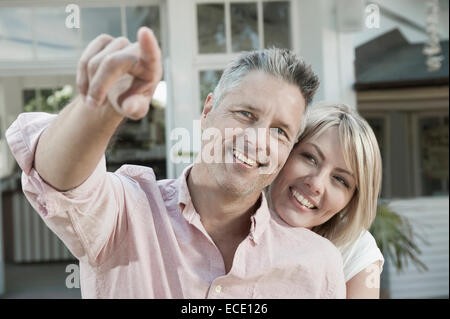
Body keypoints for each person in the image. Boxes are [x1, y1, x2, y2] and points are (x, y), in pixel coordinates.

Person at [6, 27, 346, 298]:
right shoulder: (128, 213)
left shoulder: (316, 264)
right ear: (208, 110)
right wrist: (102, 108)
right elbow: (59, 179)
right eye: (246, 114)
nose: (257, 140)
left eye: (280, 132)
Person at [268, 102, 384, 299]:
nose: (316, 184)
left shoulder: (357, 249)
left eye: (340, 179)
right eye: (310, 158)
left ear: (353, 199)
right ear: (286, 151)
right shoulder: (230, 212)